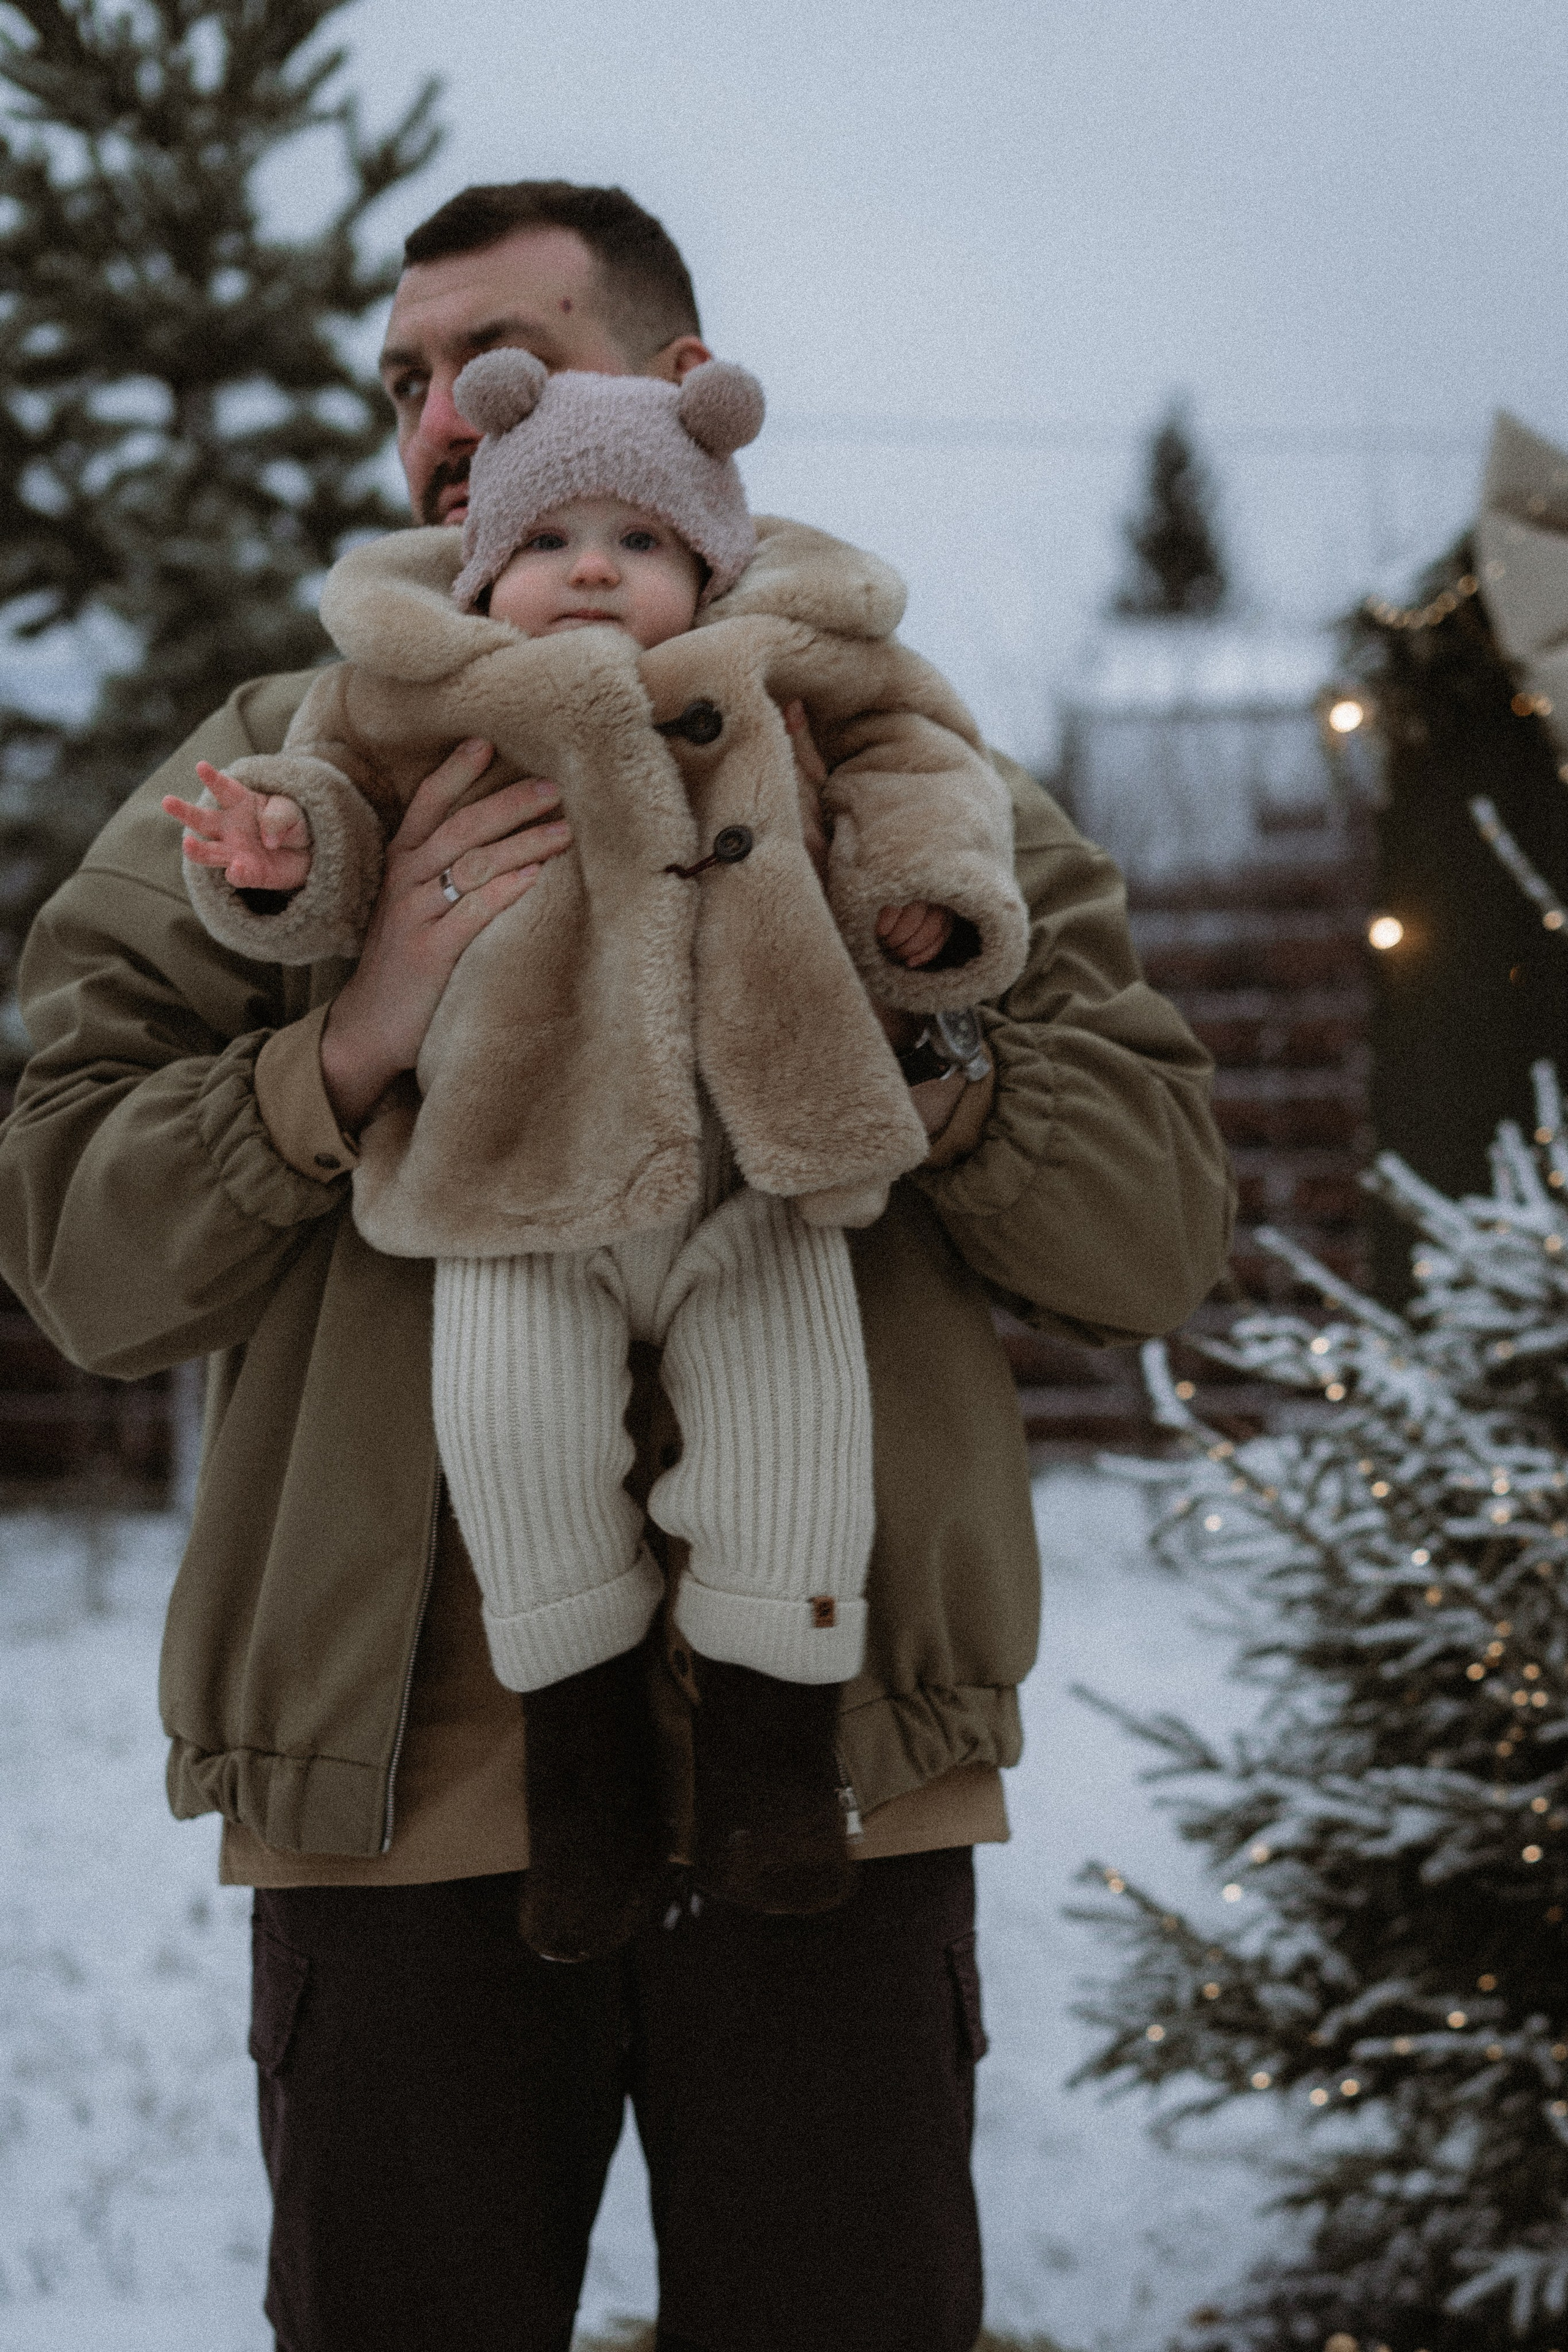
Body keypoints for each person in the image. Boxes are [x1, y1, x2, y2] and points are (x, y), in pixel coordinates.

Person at [0, 179, 1235, 2352]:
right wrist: (352, 1034)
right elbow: (79, 1251)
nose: (437, 427)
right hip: (403, 1805)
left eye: (494, 361)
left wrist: (902, 1038)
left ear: (677, 400)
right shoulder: (287, 775)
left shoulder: (887, 750)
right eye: (406, 384)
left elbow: (1153, 1233)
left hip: (829, 1785)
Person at [159, 345, 1030, 1960]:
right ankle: (590, 1783)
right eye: (555, 542)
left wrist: (921, 898)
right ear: (492, 567)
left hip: (754, 1159)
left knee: (794, 1457)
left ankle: (775, 1768)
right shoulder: (419, 689)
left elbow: (931, 773)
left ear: (710, 562)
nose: (591, 572)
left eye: (640, 543)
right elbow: (333, 810)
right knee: (517, 1454)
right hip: (511, 1176)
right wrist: (279, 854)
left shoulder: (804, 671)